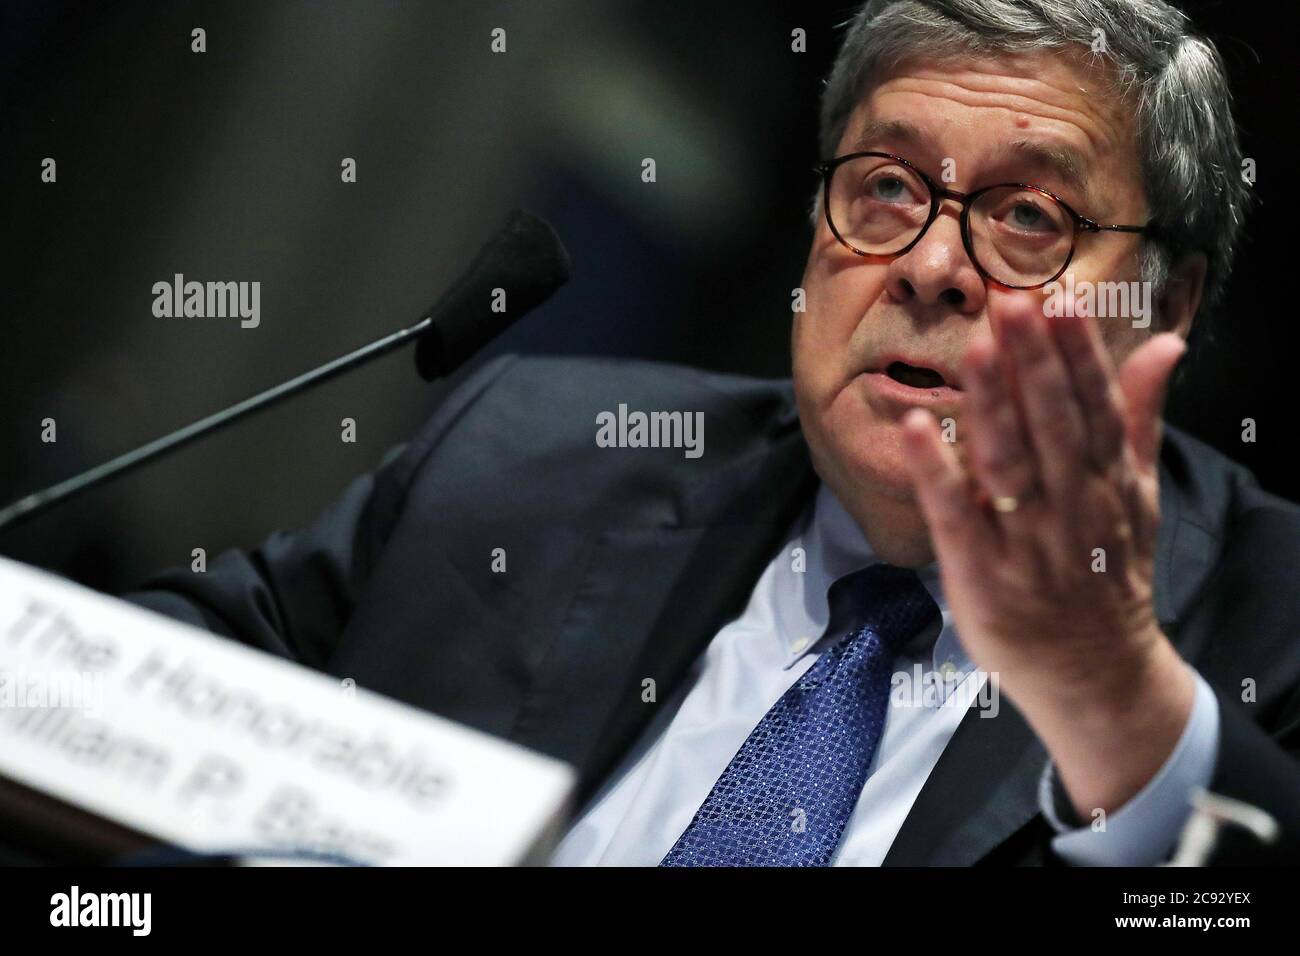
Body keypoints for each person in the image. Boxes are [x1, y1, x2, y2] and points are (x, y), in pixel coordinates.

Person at [128, 0, 1300, 865]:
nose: (931, 265)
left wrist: (1117, 702)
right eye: (886, 188)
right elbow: (131, 702)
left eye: (1028, 216)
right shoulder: (537, 457)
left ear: (1167, 301)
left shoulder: (1275, 620)